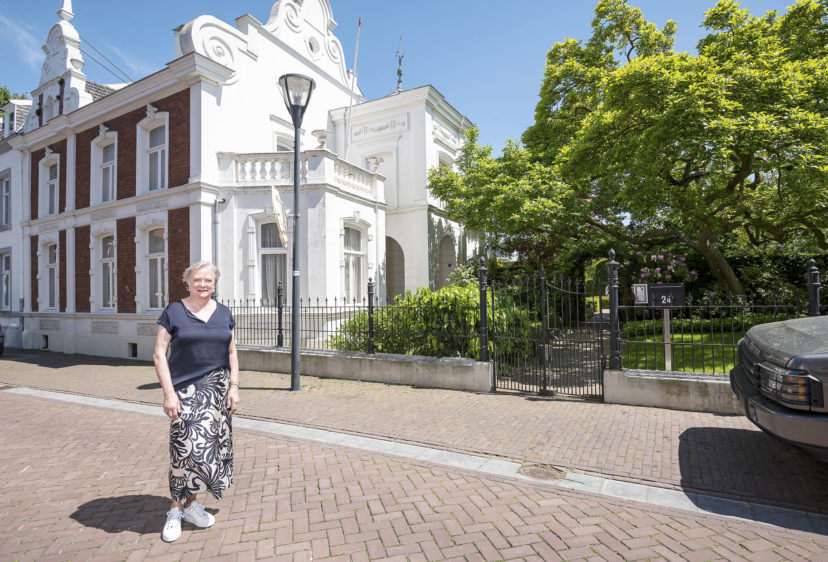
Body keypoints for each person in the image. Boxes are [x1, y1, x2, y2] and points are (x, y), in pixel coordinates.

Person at [153, 260, 240, 542]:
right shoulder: (174, 312)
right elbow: (159, 354)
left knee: (208, 453)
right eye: (197, 280)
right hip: (185, 392)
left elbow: (232, 353)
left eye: (208, 281)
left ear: (215, 284)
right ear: (188, 282)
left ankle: (190, 505)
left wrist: (234, 387)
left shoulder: (224, 313)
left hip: (217, 392)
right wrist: (168, 393)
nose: (203, 285)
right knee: (184, 451)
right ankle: (175, 510)